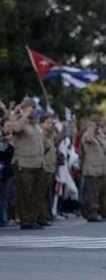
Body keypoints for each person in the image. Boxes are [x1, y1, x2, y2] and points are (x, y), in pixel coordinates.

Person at [11, 98, 46, 229]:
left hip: (38, 164)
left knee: (37, 194)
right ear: (25, 108)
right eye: (32, 108)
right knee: (25, 193)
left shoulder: (35, 125)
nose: (34, 110)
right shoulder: (20, 122)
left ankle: (33, 218)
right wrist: (23, 114)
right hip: (24, 164)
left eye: (34, 108)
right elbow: (16, 129)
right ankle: (25, 220)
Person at [81, 118, 106, 222]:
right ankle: (91, 213)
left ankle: (95, 211)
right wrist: (91, 129)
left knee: (96, 192)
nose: (96, 127)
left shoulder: (98, 138)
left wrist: (99, 135)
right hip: (91, 169)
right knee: (91, 193)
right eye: (94, 126)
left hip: (99, 169)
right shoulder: (87, 136)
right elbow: (89, 138)